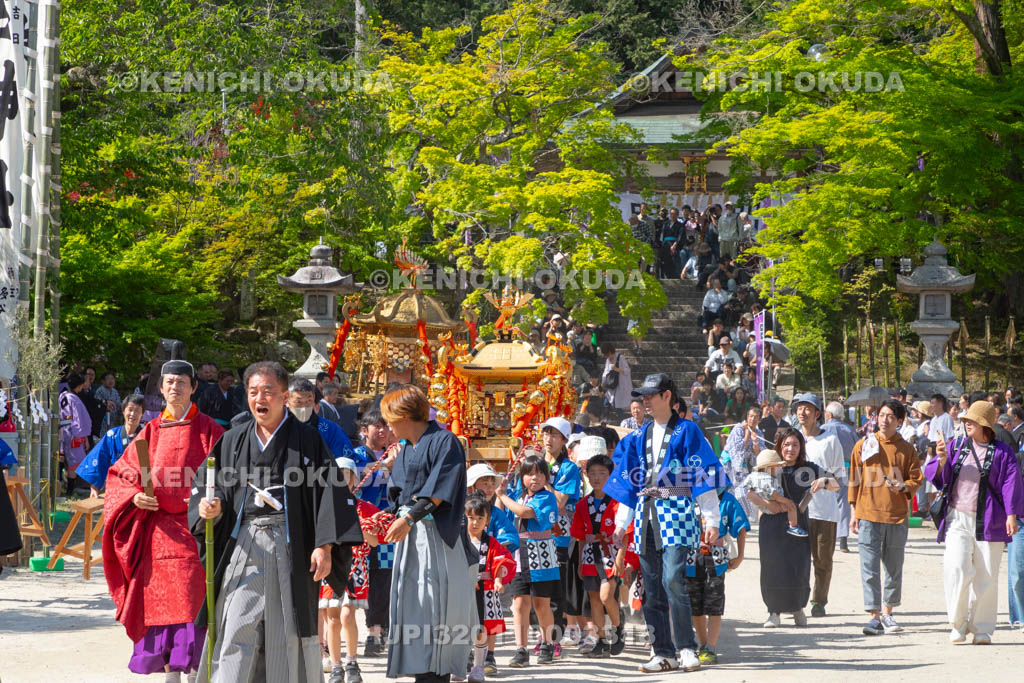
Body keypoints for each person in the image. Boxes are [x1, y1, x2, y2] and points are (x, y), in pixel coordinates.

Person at [189, 361, 362, 683]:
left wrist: (324, 545)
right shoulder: (233, 440)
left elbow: (329, 493)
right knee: (236, 621)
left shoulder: (307, 440)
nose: (260, 398)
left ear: (284, 396)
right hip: (245, 542)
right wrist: (209, 508)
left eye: (268, 391)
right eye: (253, 392)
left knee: (288, 629)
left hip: (291, 544)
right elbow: (209, 485)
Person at [102, 360, 225, 682]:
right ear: (160, 388)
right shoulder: (151, 430)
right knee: (160, 605)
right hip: (157, 532)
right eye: (169, 382)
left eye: (182, 382)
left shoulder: (211, 430)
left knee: (195, 602)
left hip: (198, 532)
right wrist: (134, 497)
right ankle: (169, 674)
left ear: (194, 387)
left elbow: (230, 476)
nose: (175, 388)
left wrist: (214, 503)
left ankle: (199, 671)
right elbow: (121, 474)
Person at [604, 373, 724, 673]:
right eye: (642, 395)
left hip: (677, 512)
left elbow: (702, 474)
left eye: (650, 395)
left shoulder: (688, 431)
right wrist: (621, 523)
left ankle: (685, 647)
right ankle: (662, 652)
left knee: (672, 578)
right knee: (652, 588)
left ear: (667, 396)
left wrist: (711, 518)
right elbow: (628, 484)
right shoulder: (637, 437)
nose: (644, 400)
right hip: (645, 515)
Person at [377, 384, 476, 683]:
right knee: (413, 604)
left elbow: (439, 491)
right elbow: (400, 493)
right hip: (410, 535)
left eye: (390, 420)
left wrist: (408, 518)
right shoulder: (406, 448)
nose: (388, 427)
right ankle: (421, 669)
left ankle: (437, 672)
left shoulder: (445, 441)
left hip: (436, 534)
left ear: (405, 416)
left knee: (437, 604)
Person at [925, 401, 1024, 644]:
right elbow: (940, 478)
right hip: (957, 517)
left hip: (991, 519)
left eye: (972, 421)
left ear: (985, 425)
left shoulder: (1002, 451)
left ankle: (981, 627)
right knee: (957, 567)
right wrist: (940, 460)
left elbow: (1012, 483)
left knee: (987, 575)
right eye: (966, 420)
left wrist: (1012, 514)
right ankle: (957, 623)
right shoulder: (957, 445)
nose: (967, 424)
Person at [749, 429, 839, 628]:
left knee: (798, 566)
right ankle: (773, 611)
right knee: (772, 567)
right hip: (771, 523)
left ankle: (798, 608)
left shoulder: (808, 468)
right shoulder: (769, 466)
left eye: (795, 445)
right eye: (786, 444)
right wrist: (768, 504)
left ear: (801, 448)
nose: (790, 449)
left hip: (798, 523)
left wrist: (823, 481)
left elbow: (835, 484)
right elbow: (750, 493)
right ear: (780, 446)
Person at [848, 400, 923, 635]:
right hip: (868, 513)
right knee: (868, 567)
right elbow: (854, 479)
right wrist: (853, 512)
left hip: (896, 515)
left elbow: (916, 480)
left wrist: (902, 486)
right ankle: (874, 616)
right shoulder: (863, 445)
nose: (884, 419)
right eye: (881, 415)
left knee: (893, 567)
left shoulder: (907, 449)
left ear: (900, 421)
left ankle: (889, 613)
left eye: (890, 416)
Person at [321, 458, 387, 683]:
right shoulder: (322, 506)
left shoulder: (365, 509)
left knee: (348, 615)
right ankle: (336, 664)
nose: (342, 478)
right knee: (332, 618)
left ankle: (351, 662)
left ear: (354, 479)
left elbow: (376, 542)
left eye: (347, 473)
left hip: (357, 566)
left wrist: (362, 526)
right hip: (331, 565)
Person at [498, 454, 560, 668]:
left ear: (546, 477)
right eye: (530, 474)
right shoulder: (517, 494)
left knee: (541, 603)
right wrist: (502, 492)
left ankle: (547, 643)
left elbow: (524, 513)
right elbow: (500, 512)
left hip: (540, 553)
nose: (535, 478)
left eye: (540, 473)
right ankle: (521, 648)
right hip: (518, 554)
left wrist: (503, 496)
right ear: (522, 476)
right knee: (519, 603)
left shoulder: (546, 497)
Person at [569, 453, 630, 658]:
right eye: (592, 473)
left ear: (611, 476)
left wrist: (621, 559)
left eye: (602, 473)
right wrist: (578, 563)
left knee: (606, 595)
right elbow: (579, 537)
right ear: (586, 475)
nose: (596, 477)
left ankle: (618, 628)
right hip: (588, 555)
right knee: (594, 599)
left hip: (610, 553)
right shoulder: (582, 504)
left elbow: (626, 533)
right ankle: (601, 639)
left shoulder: (618, 503)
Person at [793, 393, 847, 618]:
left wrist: (825, 482)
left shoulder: (830, 440)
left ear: (818, 414)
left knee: (822, 560)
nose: (802, 412)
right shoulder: (793, 440)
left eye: (807, 408)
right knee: (797, 559)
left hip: (825, 512)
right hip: (798, 511)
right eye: (799, 408)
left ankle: (819, 601)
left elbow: (839, 481)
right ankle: (796, 601)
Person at [350, 407, 397, 661]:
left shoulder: (398, 451)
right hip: (364, 526)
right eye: (376, 426)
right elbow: (356, 480)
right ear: (364, 430)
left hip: (389, 525)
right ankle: (370, 630)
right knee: (363, 577)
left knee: (384, 578)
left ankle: (377, 631)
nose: (382, 430)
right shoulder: (356, 454)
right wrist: (384, 467)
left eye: (385, 426)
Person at [686, 486, 750, 665]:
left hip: (717, 558)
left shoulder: (727, 499)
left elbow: (741, 526)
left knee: (715, 603)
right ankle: (702, 643)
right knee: (694, 604)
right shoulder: (689, 496)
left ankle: (710, 647)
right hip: (690, 556)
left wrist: (741, 556)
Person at [464, 493, 515, 683]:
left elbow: (502, 561)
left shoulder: (491, 543)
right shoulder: (458, 542)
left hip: (485, 591)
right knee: (458, 629)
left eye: (480, 518)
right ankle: (458, 664)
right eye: (470, 518)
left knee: (481, 631)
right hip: (462, 590)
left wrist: (499, 580)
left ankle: (478, 667)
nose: (475, 523)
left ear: (487, 521)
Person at [77, 394, 146, 497]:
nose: (133, 414)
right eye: (130, 409)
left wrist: (148, 488)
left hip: (140, 487)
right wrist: (94, 487)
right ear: (123, 411)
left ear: (142, 414)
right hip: (117, 485)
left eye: (137, 411)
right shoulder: (112, 435)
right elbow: (99, 458)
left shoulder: (147, 435)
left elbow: (153, 463)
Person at [821, 401, 858, 553]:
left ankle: (826, 536)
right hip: (846, 466)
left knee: (825, 500)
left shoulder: (822, 429)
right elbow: (857, 450)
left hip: (826, 467)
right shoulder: (850, 430)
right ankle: (842, 539)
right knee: (843, 501)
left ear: (829, 414)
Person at [747, 450, 807, 537]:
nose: (779, 468)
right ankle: (793, 526)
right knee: (791, 506)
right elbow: (775, 495)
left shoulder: (755, 476)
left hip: (763, 510)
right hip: (774, 506)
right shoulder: (767, 479)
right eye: (777, 466)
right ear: (768, 467)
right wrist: (786, 501)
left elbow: (748, 491)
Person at [723, 406, 764, 520]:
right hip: (730, 463)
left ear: (759, 420)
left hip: (742, 465)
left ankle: (742, 517)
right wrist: (747, 431)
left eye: (756, 417)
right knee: (730, 492)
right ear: (747, 417)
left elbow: (759, 453)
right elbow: (740, 447)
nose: (752, 419)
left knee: (743, 490)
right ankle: (735, 517)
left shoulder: (759, 433)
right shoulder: (738, 428)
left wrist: (755, 442)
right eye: (750, 416)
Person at [59, 373, 93, 495]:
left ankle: (68, 490)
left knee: (70, 461)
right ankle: (71, 491)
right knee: (76, 462)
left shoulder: (62, 396)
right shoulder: (73, 398)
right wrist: (83, 436)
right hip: (74, 432)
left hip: (63, 430)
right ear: (78, 386)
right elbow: (80, 418)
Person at [601, 343, 632, 423]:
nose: (607, 356)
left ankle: (623, 421)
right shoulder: (608, 360)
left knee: (617, 406)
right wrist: (603, 382)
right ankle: (604, 420)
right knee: (607, 403)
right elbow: (605, 372)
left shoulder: (620, 358)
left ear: (610, 352)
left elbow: (627, 371)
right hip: (611, 386)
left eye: (607, 354)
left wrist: (616, 369)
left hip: (620, 385)